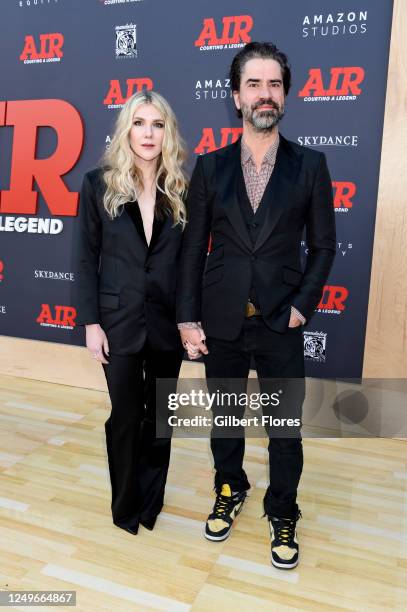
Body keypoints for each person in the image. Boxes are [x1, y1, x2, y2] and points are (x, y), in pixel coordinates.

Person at [177, 42, 336, 569]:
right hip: (221, 319)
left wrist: (302, 308)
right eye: (254, 84)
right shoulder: (211, 166)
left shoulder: (311, 165)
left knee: (284, 428)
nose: (264, 94)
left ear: (285, 95)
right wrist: (186, 315)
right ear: (236, 96)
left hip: (280, 321)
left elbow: (324, 246)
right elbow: (192, 246)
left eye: (274, 85)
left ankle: (283, 509)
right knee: (225, 419)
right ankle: (230, 487)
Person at [76, 90, 187, 535]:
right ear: (126, 129)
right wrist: (90, 323)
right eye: (140, 123)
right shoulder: (97, 184)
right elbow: (85, 258)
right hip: (117, 323)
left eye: (157, 124)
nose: (148, 133)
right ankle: (125, 505)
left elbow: (190, 261)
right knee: (124, 417)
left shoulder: (180, 188)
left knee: (160, 417)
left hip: (165, 324)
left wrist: (189, 319)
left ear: (167, 133)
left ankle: (149, 502)